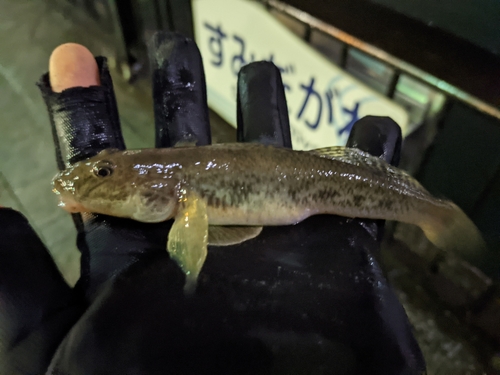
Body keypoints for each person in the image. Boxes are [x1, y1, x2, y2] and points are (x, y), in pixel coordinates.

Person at [0, 32, 426, 374]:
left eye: (105, 172)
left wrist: (188, 272)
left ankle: (431, 213)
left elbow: (204, 236)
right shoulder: (174, 186)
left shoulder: (178, 189)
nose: (98, 177)